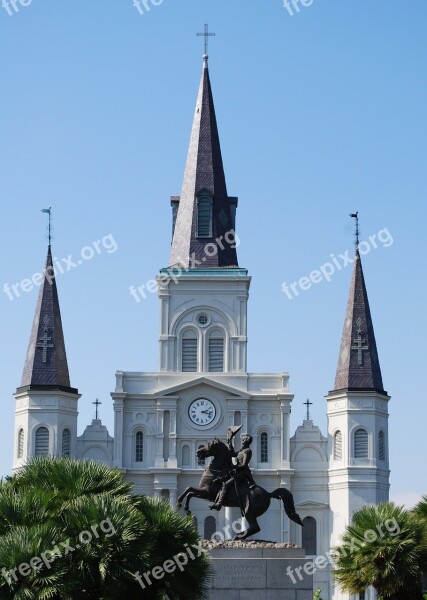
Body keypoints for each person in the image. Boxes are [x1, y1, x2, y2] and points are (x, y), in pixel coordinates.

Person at [209, 429, 256, 511]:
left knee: (225, 484)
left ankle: (219, 504)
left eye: (245, 439)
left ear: (248, 441)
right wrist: (229, 442)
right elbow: (233, 454)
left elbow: (244, 465)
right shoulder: (242, 451)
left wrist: (235, 467)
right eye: (243, 439)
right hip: (237, 472)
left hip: (242, 473)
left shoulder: (247, 451)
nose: (243, 440)